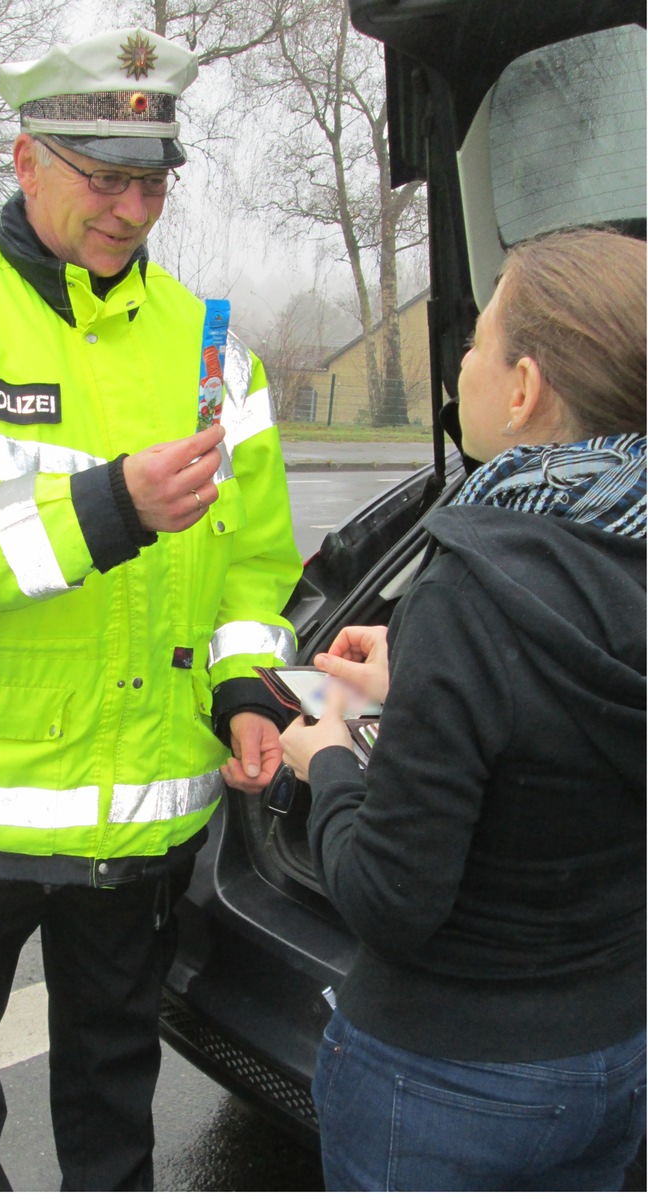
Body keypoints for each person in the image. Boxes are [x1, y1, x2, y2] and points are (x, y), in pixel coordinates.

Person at [0, 26, 302, 1192]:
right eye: (105, 179)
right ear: (26, 159)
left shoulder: (213, 351)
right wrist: (109, 506)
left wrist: (243, 686)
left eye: (152, 182)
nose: (132, 210)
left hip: (133, 810)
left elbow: (253, 563)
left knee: (110, 1080)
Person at [280, 228, 646, 1191]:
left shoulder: (476, 582)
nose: (466, 368)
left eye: (478, 343)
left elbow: (393, 900)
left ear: (523, 388)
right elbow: (578, 724)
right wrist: (427, 687)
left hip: (445, 1085)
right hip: (613, 1055)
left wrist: (326, 758)